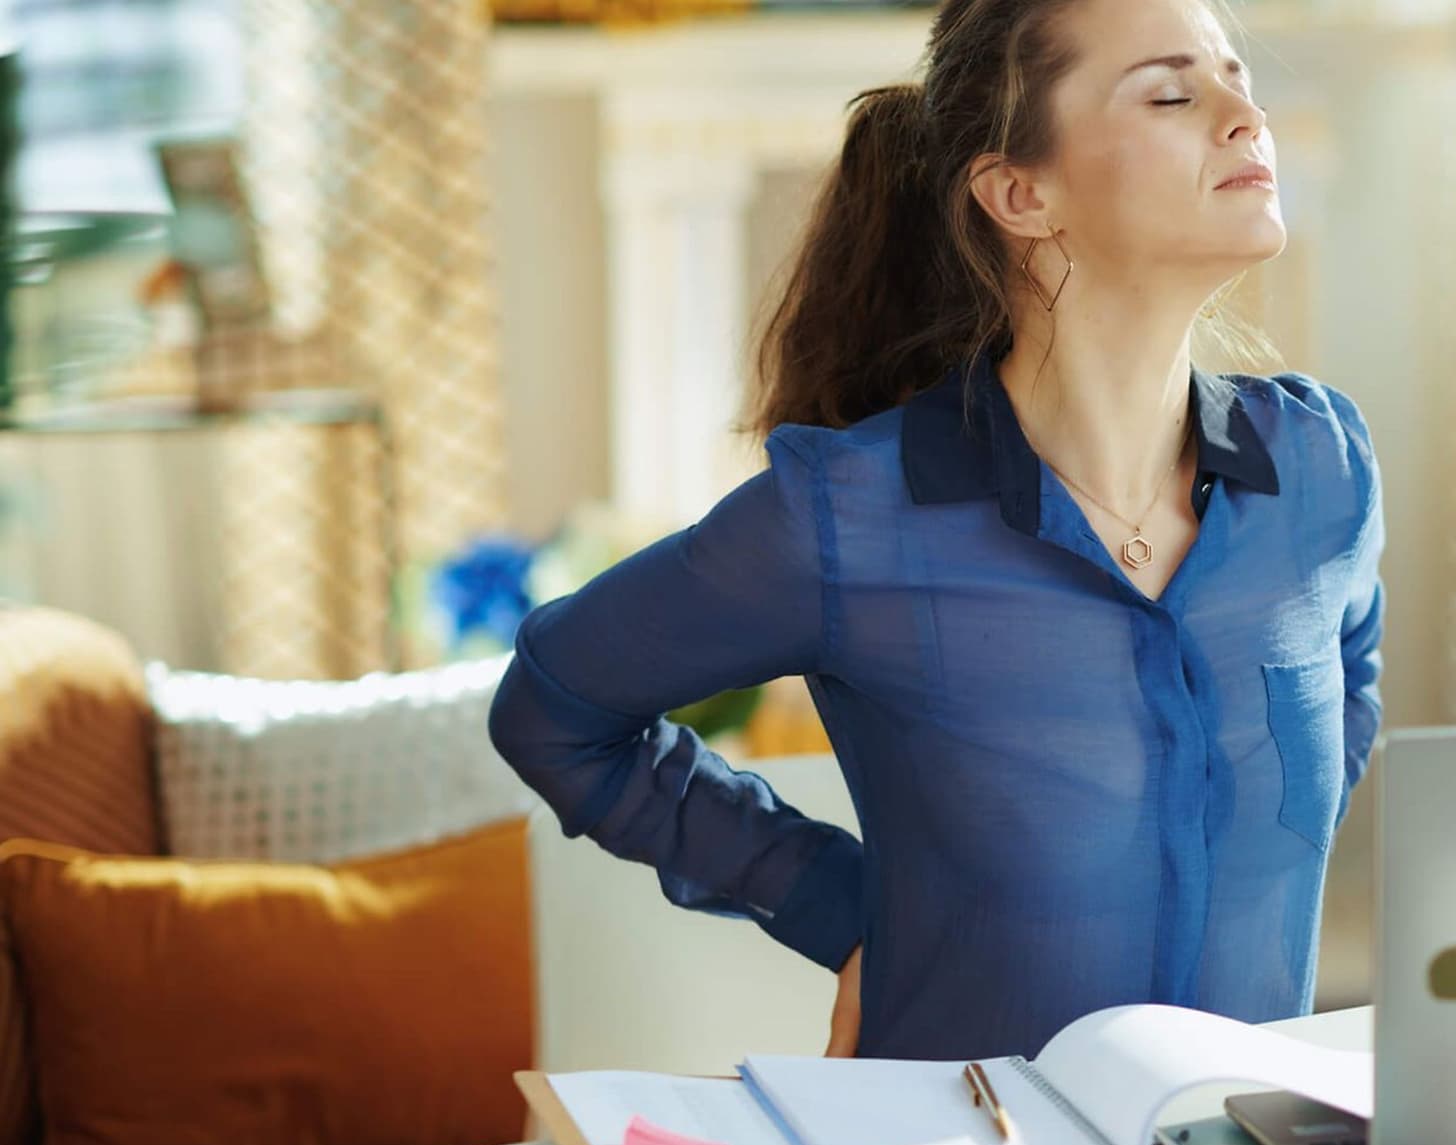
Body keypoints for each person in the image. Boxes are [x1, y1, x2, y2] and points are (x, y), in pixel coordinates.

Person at [487, 0, 1386, 1063]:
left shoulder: (1319, 466)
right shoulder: (853, 515)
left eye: (1238, 79)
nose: (1245, 116)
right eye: (1171, 92)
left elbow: (1348, 684)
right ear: (1020, 192)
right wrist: (834, 903)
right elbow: (555, 704)